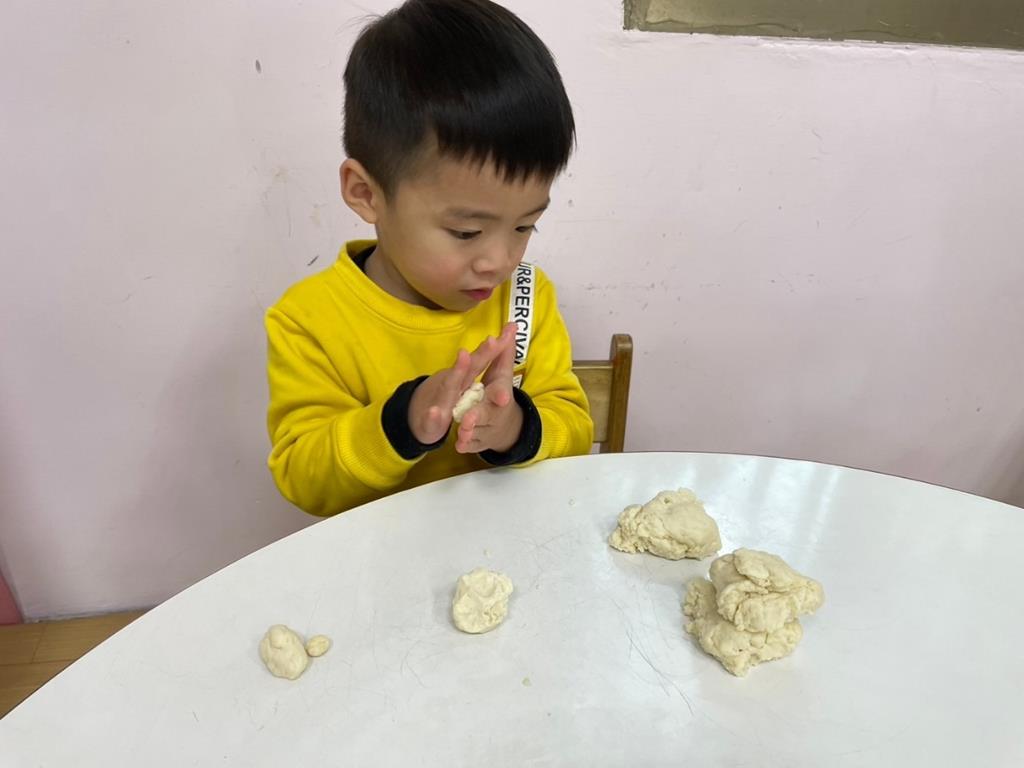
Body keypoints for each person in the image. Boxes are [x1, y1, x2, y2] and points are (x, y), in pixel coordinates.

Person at [265, 0, 593, 516]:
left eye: (525, 226)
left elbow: (573, 426)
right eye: (466, 232)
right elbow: (304, 477)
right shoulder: (310, 320)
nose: (499, 261)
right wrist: (401, 421)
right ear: (366, 194)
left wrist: (517, 427)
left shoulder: (524, 298)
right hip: (379, 554)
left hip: (509, 544)